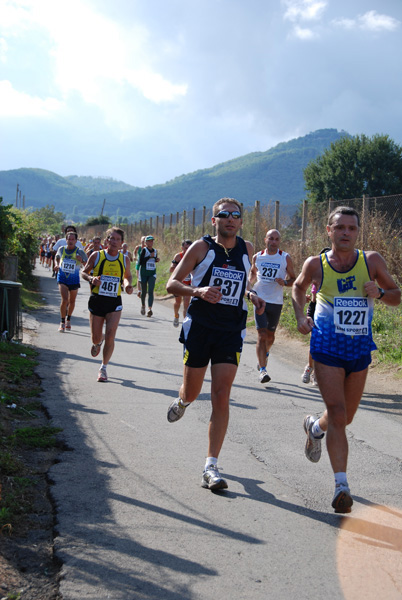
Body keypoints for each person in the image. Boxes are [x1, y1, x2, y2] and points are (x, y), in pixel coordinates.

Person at [292, 205, 401, 513]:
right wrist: (301, 316)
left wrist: (378, 292)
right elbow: (298, 289)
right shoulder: (317, 264)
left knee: (345, 417)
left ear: (357, 233)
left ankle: (315, 427)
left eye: (351, 228)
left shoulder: (372, 261)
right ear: (329, 231)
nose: (345, 233)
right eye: (340, 227)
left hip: (359, 350)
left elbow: (397, 296)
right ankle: (342, 486)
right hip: (326, 347)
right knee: (338, 413)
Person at [166, 198, 265, 491]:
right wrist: (197, 290)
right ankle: (182, 400)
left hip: (230, 330)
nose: (230, 220)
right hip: (200, 329)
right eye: (224, 215)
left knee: (221, 395)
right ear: (214, 220)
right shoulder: (201, 248)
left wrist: (251, 295)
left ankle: (210, 466)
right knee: (194, 393)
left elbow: (244, 283)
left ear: (241, 221)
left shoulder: (247, 249)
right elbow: (172, 283)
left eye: (236, 215)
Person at [81, 227, 134, 382]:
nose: (114, 242)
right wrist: (91, 279)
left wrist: (127, 285)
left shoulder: (124, 259)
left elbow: (127, 276)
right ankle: (98, 340)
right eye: (112, 238)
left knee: (112, 334)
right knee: (96, 338)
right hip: (97, 299)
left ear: (122, 243)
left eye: (118, 239)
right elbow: (84, 272)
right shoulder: (97, 255)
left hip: (114, 301)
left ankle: (103, 368)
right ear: (106, 240)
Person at [248, 229, 296, 384]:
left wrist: (286, 282)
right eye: (271, 238)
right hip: (260, 298)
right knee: (261, 334)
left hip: (276, 301)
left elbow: (294, 279)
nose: (273, 242)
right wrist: (249, 289)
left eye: (276, 239)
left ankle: (265, 353)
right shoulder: (258, 256)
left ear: (279, 241)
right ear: (265, 240)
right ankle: (263, 370)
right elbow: (252, 274)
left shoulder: (285, 258)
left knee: (270, 336)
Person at [54, 232, 88, 331]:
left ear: (76, 241)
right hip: (62, 278)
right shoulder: (62, 249)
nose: (71, 241)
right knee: (64, 300)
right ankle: (62, 322)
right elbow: (57, 257)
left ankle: (68, 319)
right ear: (66, 240)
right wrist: (56, 264)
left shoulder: (80, 251)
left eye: (73, 239)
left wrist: (81, 260)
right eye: (69, 239)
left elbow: (87, 265)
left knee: (71, 301)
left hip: (74, 279)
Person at [169, 239, 193, 327]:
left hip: (188, 283)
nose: (188, 250)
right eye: (186, 248)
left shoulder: (195, 257)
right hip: (178, 282)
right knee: (178, 302)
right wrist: (178, 268)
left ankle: (185, 323)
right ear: (182, 248)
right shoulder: (178, 257)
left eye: (190, 248)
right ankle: (176, 315)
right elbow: (171, 269)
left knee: (186, 303)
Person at [139, 235, 160, 317]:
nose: (151, 242)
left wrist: (156, 260)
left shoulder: (155, 251)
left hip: (152, 273)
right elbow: (141, 262)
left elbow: (154, 259)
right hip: (144, 273)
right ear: (146, 242)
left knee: (150, 291)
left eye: (152, 241)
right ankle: (143, 305)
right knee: (144, 292)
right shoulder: (144, 250)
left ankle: (150, 309)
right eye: (149, 241)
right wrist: (149, 257)